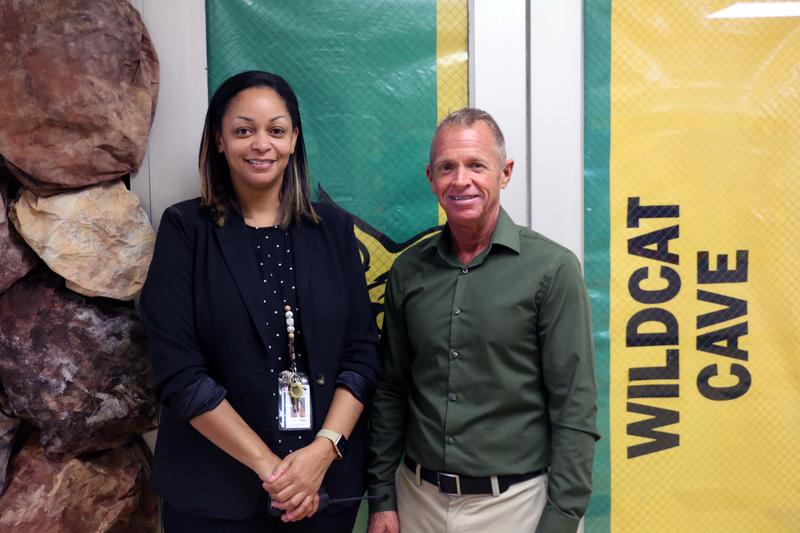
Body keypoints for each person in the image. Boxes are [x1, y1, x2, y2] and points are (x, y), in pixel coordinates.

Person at [139, 71, 380, 532]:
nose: (261, 144)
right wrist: (275, 471)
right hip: (214, 496)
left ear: (294, 139)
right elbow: (180, 375)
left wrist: (322, 451)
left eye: (276, 130)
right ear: (219, 140)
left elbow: (362, 354)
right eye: (243, 130)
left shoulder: (332, 229)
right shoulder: (185, 230)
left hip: (323, 488)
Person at [366, 108, 599, 533]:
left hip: (517, 509)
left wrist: (562, 519)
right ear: (430, 177)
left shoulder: (552, 269)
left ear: (505, 172)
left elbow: (574, 406)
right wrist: (382, 497)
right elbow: (392, 389)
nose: (461, 180)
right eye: (446, 168)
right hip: (418, 504)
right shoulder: (408, 271)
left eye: (477, 165)